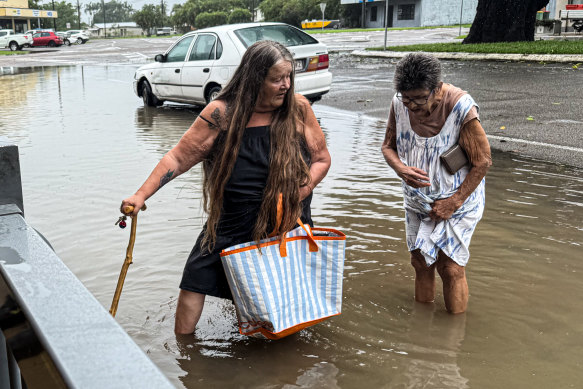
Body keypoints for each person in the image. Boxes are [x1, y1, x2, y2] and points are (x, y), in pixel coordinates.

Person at [121, 40, 331, 335]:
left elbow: (321, 159)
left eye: (288, 77)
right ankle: (185, 350)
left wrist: (300, 191)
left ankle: (280, 345)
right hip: (233, 218)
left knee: (282, 284)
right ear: (254, 79)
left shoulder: (298, 109)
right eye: (276, 79)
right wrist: (140, 195)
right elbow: (179, 158)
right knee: (196, 276)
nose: (285, 85)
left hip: (287, 216)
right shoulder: (221, 113)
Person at [381, 53, 491, 314]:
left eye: (419, 98)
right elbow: (388, 146)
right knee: (420, 261)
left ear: (437, 89)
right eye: (406, 98)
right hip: (418, 200)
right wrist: (400, 169)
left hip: (458, 201)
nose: (412, 106)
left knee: (450, 267)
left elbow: (483, 162)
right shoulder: (399, 104)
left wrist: (453, 203)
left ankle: (452, 337)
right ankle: (423, 329)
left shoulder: (461, 108)